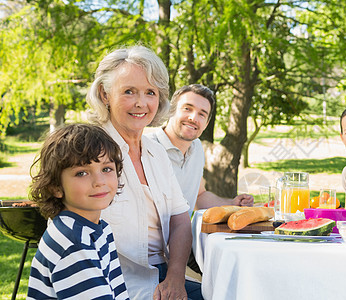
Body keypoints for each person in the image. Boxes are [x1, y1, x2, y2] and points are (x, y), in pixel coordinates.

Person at [86, 46, 202, 300]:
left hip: (162, 273)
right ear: (105, 95)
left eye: (150, 92)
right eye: (129, 92)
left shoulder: (155, 151)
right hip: (112, 281)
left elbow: (180, 219)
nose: (141, 103)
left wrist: (175, 278)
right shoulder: (88, 151)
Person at [147, 84, 253, 274]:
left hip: (183, 247)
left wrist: (232, 203)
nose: (193, 118)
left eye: (202, 114)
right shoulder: (148, 149)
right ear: (171, 111)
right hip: (152, 258)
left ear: (206, 123)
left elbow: (199, 195)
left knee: (238, 271)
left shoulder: (196, 149)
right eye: (187, 108)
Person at [27, 124, 129, 299]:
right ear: (56, 187)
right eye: (82, 173)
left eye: (106, 169)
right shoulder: (72, 242)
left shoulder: (100, 229)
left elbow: (118, 293)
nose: (99, 181)